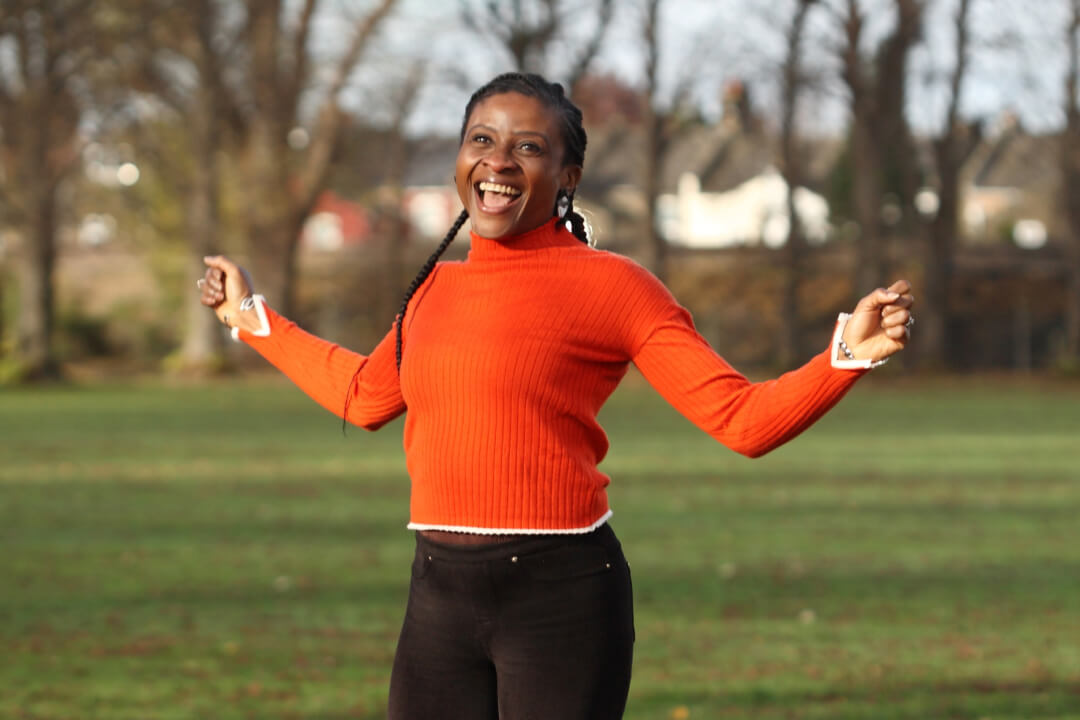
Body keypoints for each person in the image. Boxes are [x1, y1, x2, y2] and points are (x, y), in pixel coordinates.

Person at [197, 72, 914, 720]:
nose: (499, 161)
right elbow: (363, 397)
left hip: (561, 598)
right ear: (459, 160)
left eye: (528, 147)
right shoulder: (433, 290)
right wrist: (247, 318)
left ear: (567, 175)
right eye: (482, 139)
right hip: (438, 596)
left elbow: (741, 420)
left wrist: (846, 356)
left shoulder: (616, 287)